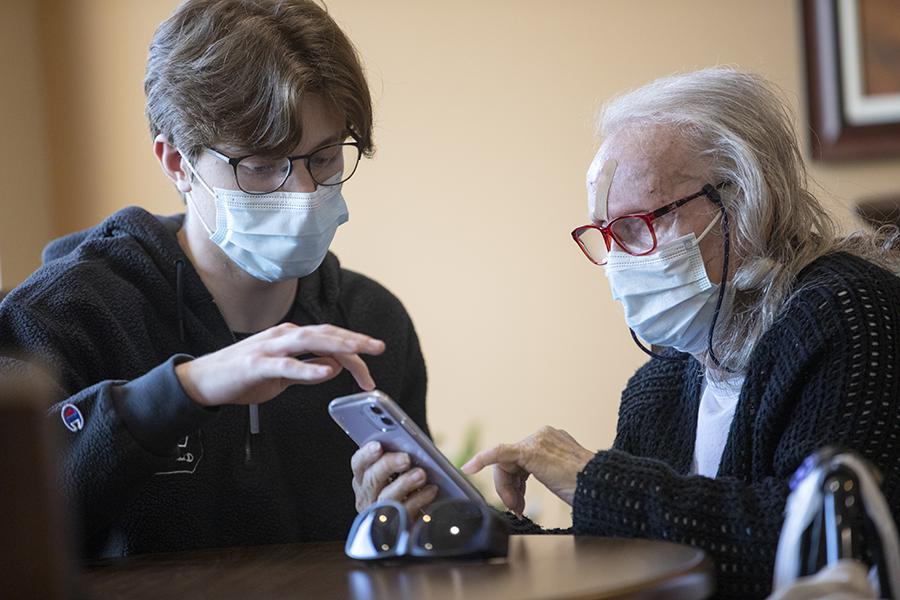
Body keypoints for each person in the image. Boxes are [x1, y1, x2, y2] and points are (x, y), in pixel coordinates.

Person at [0, 0, 436, 558]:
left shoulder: (373, 322)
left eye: (323, 158)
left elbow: (407, 549)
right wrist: (182, 392)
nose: (301, 193)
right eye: (259, 166)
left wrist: (393, 525)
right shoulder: (61, 318)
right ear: (176, 162)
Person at [463, 68, 900, 598]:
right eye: (605, 234)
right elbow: (625, 554)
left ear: (742, 202)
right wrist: (473, 530)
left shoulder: (849, 310)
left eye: (637, 225)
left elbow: (817, 550)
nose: (617, 262)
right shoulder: (663, 379)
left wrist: (593, 478)